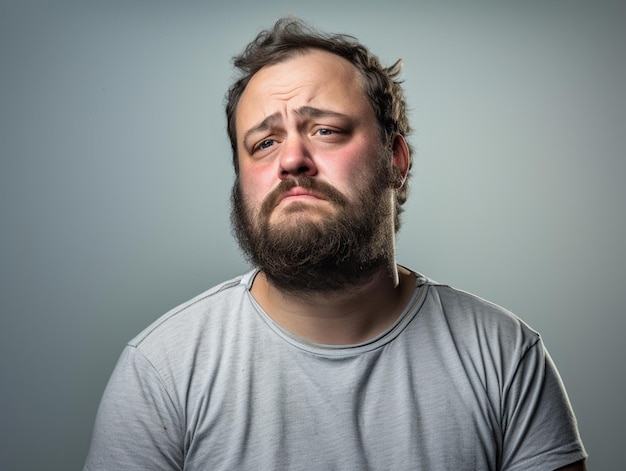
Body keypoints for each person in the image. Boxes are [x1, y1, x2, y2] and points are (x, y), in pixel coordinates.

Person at [84, 17, 587, 470]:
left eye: (325, 129)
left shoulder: (502, 354)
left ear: (396, 158)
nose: (291, 160)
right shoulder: (162, 370)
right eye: (264, 143)